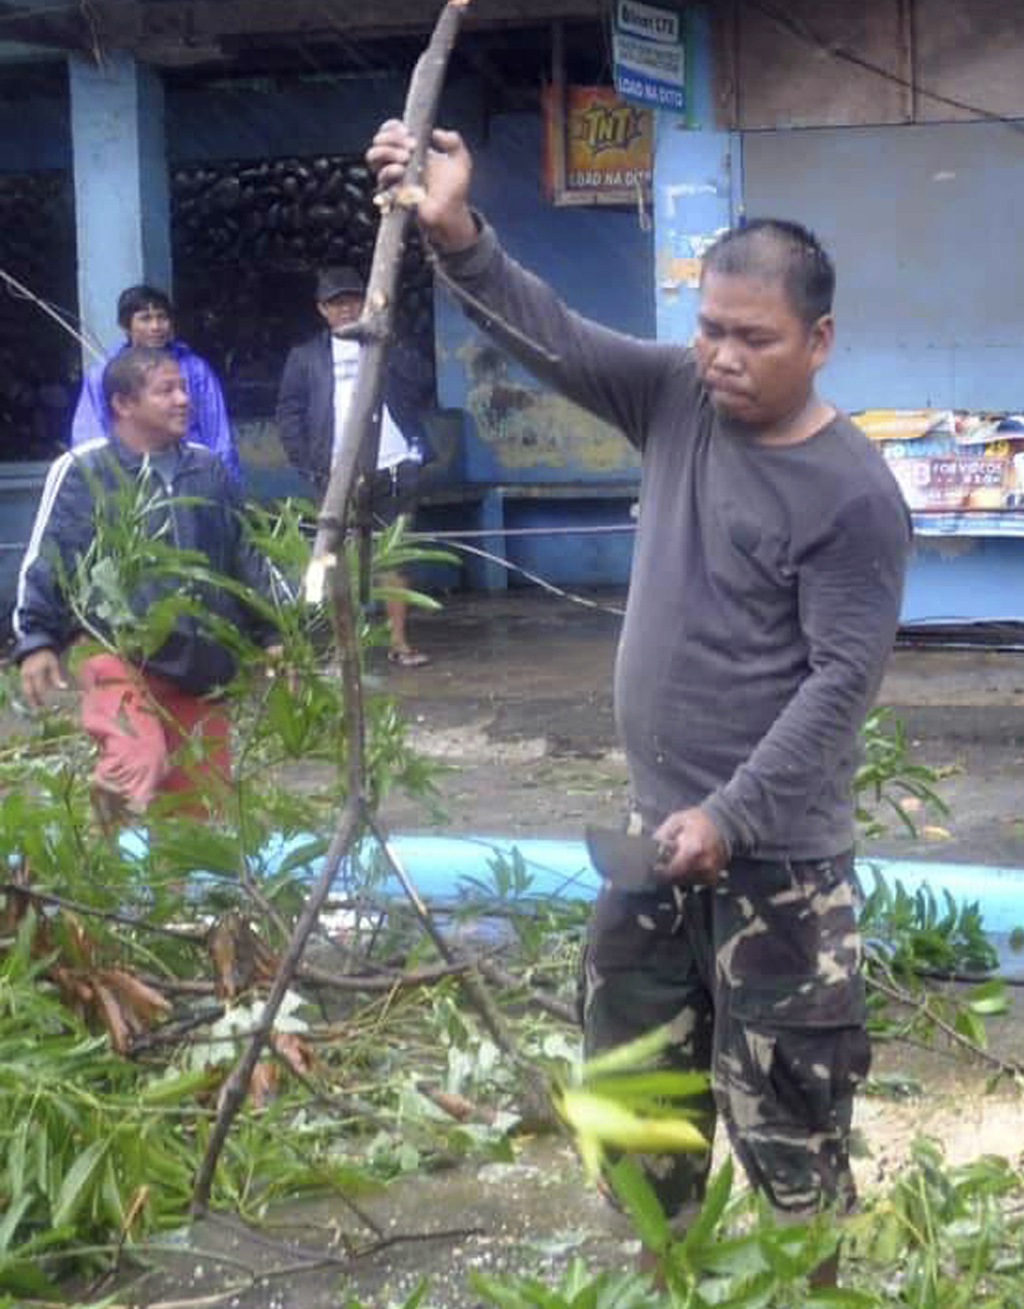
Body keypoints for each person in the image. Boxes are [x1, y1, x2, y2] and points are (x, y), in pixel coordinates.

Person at [366, 117, 912, 1236]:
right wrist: (455, 227)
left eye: (751, 338)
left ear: (820, 340)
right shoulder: (674, 399)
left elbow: (841, 680)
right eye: (709, 328)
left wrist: (733, 812)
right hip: (653, 839)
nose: (720, 355)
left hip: (782, 869)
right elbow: (549, 334)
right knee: (634, 1104)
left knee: (792, 1130)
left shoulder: (851, 492)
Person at [14, 344, 278, 822]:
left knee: (198, 815)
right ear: (123, 404)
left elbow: (245, 556)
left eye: (184, 388)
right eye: (166, 390)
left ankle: (172, 891)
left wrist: (275, 633)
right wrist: (37, 640)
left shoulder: (208, 468)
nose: (183, 400)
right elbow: (49, 556)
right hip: (117, 649)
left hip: (203, 663)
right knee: (137, 759)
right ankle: (97, 846)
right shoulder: (84, 469)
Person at [277, 266, 436, 666]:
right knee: (338, 560)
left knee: (395, 557)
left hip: (394, 466)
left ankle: (399, 642)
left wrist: (386, 340)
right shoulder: (306, 356)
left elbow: (422, 382)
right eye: (336, 303)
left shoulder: (385, 343)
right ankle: (344, 650)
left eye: (352, 300)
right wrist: (308, 464)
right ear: (322, 310)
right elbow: (289, 413)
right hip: (335, 473)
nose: (346, 309)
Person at [71, 285, 240, 486]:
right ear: (126, 326)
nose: (156, 326)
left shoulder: (194, 369)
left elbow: (218, 433)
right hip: (127, 482)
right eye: (145, 318)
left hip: (189, 476)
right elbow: (89, 437)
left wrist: (227, 485)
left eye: (162, 317)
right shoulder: (104, 374)